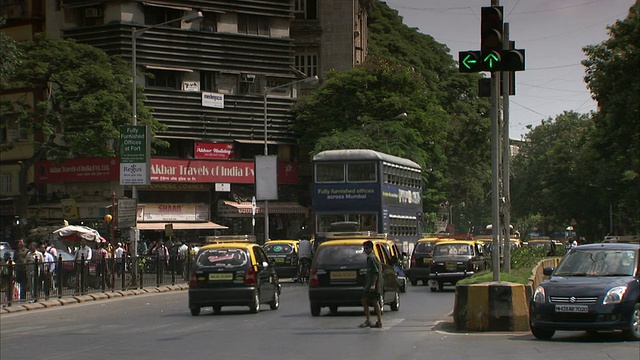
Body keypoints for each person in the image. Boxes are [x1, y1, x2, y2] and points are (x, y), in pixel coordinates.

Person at [359, 240, 383, 328]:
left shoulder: (371, 258)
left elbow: (376, 272)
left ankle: (375, 321)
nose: (365, 250)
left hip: (373, 285)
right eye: (364, 248)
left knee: (371, 301)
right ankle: (372, 320)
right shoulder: (371, 257)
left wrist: (373, 284)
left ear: (371, 248)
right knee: (368, 301)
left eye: (367, 248)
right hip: (371, 284)